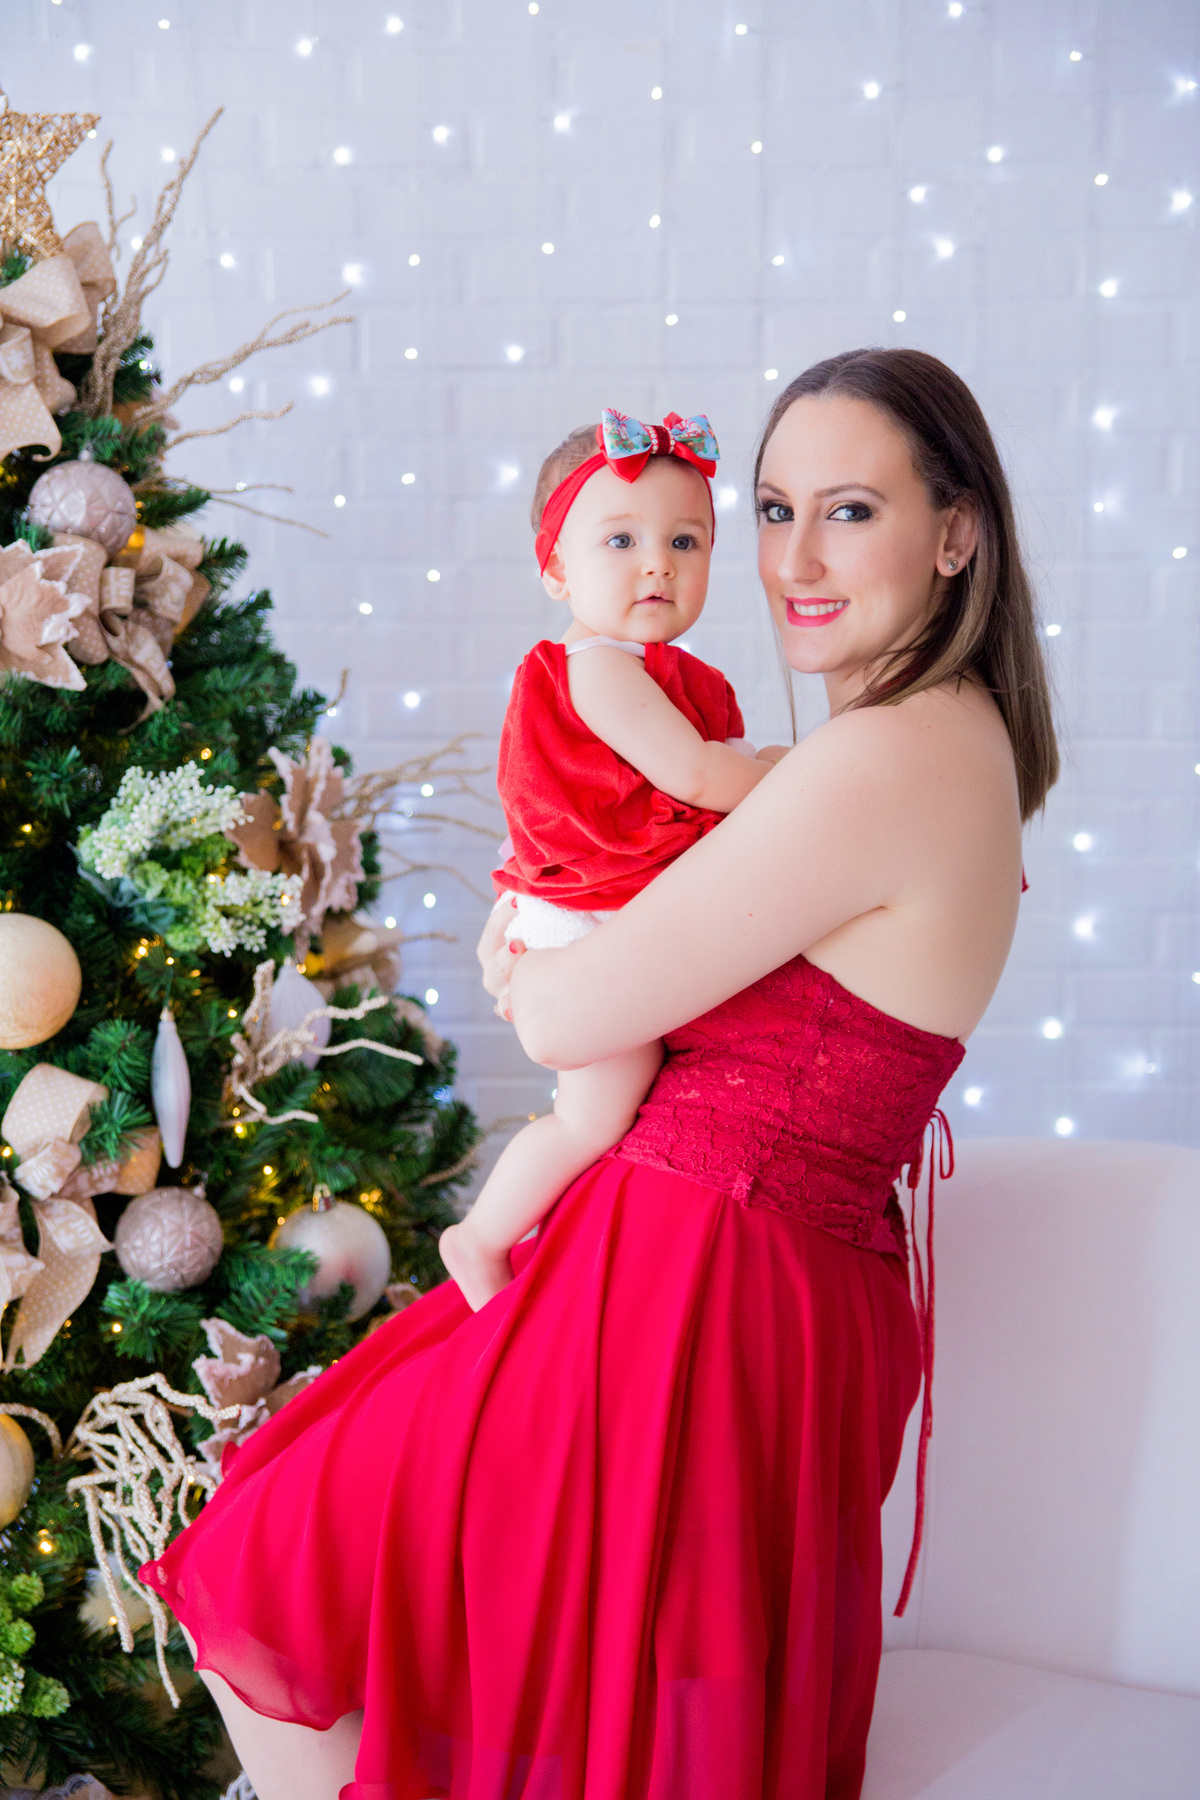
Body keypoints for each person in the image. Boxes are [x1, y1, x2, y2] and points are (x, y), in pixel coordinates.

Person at [139, 346, 1057, 1800]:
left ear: (957, 535)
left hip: (708, 1278)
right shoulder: (922, 744)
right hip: (736, 1265)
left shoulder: (886, 756)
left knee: (280, 1545)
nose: (794, 559)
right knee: (500, 1641)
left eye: (852, 511)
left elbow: (576, 1020)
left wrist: (531, 969)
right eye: (770, 510)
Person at [440, 408, 784, 1311]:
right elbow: (702, 778)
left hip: (635, 902)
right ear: (557, 569)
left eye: (685, 540)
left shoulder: (689, 678)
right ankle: (479, 1237)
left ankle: (574, 1232)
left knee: (648, 1097)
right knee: (595, 1107)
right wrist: (800, 771)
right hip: (592, 907)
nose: (658, 563)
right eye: (621, 539)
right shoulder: (596, 666)